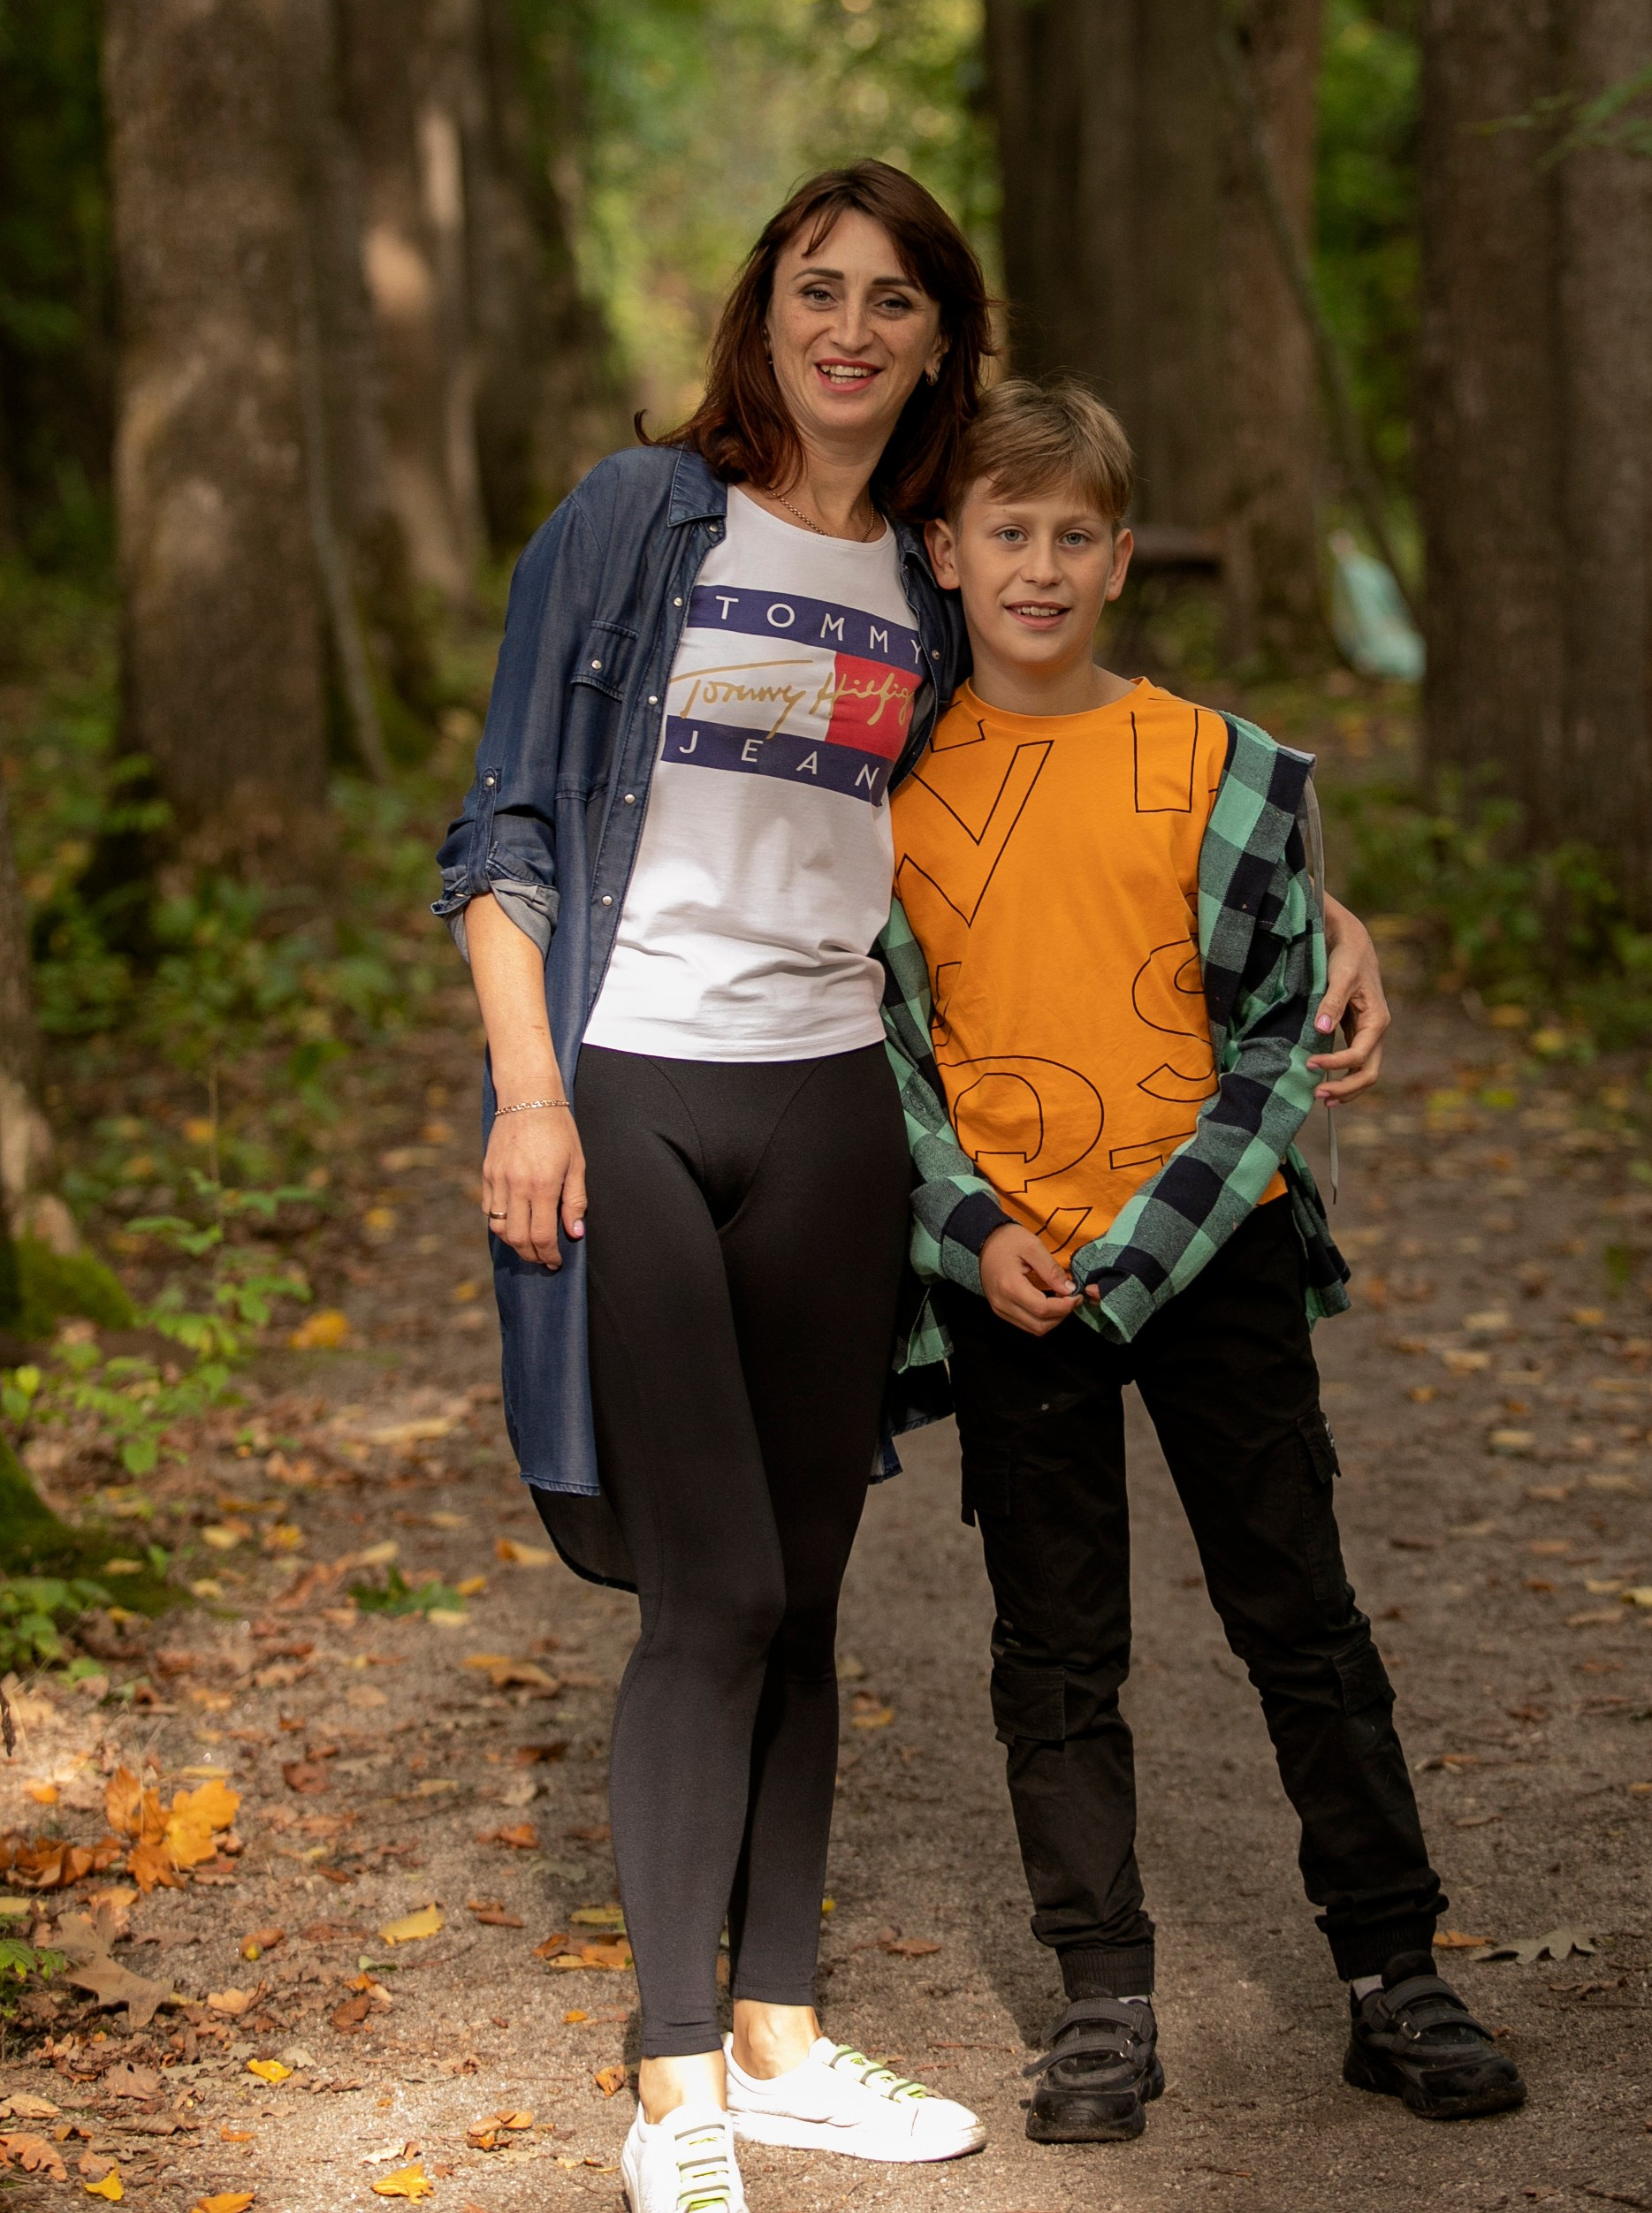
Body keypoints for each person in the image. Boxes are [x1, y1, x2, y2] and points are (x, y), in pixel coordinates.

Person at [435, 163, 1001, 2213]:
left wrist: (1328, 908)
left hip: (833, 1112)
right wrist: (529, 1098)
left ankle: (778, 2035)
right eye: (814, 289)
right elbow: (497, 829)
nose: (847, 327)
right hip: (636, 1097)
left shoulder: (934, 577)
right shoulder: (632, 519)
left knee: (815, 1593)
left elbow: (1073, 773)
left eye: (891, 300)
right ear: (762, 313)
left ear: (942, 338)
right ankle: (671, 2086)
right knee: (719, 1591)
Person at [880, 379, 1526, 2147]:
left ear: (1117, 553)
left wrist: (1150, 1243)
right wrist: (972, 1231)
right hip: (1010, 1270)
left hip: (1210, 1257)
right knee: (1055, 1649)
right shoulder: (887, 791)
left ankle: (1394, 1973)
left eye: (1071, 535)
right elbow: (880, 1047)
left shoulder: (1214, 764)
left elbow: (1270, 1034)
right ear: (941, 553)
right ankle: (1100, 1999)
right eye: (1001, 533)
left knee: (1296, 1614)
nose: (1037, 566)